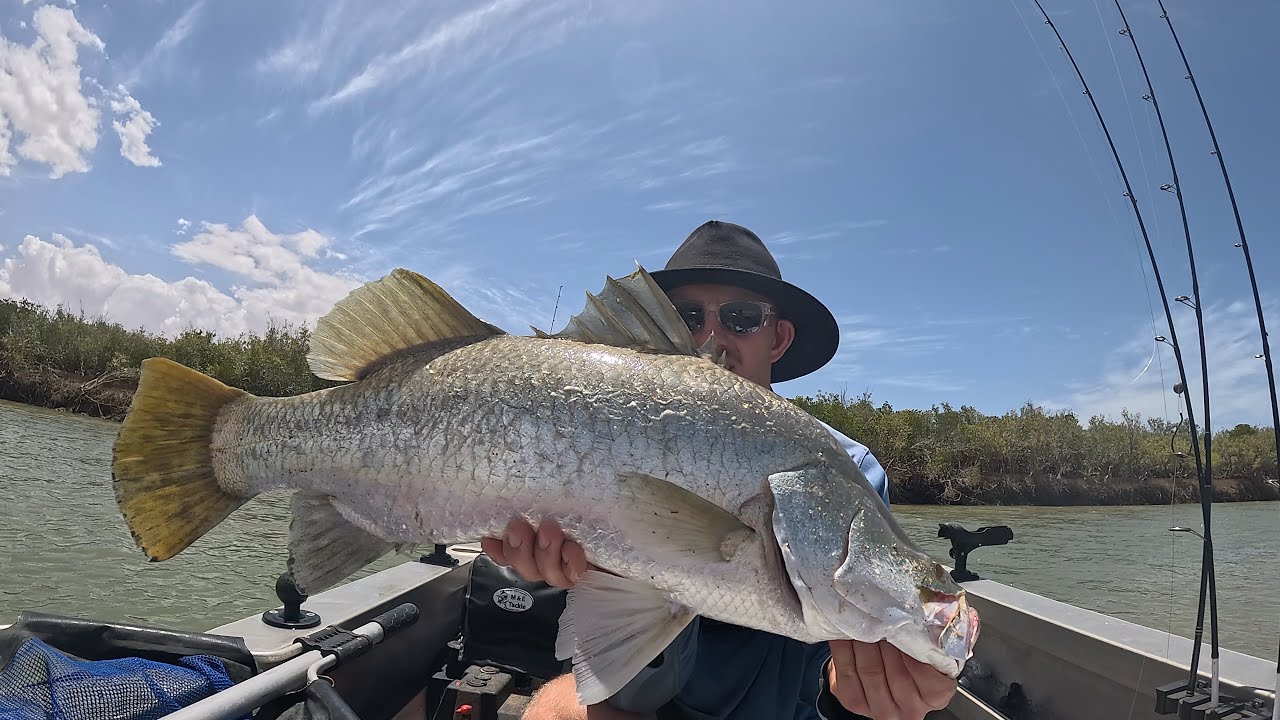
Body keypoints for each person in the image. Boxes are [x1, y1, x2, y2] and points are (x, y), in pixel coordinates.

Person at [481, 221, 958, 720]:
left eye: (742, 317)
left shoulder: (849, 470)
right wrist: (582, 574)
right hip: (648, 693)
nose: (712, 336)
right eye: (687, 316)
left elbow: (832, 647)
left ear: (779, 338)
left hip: (775, 707)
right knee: (551, 711)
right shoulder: (596, 423)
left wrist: (866, 680)